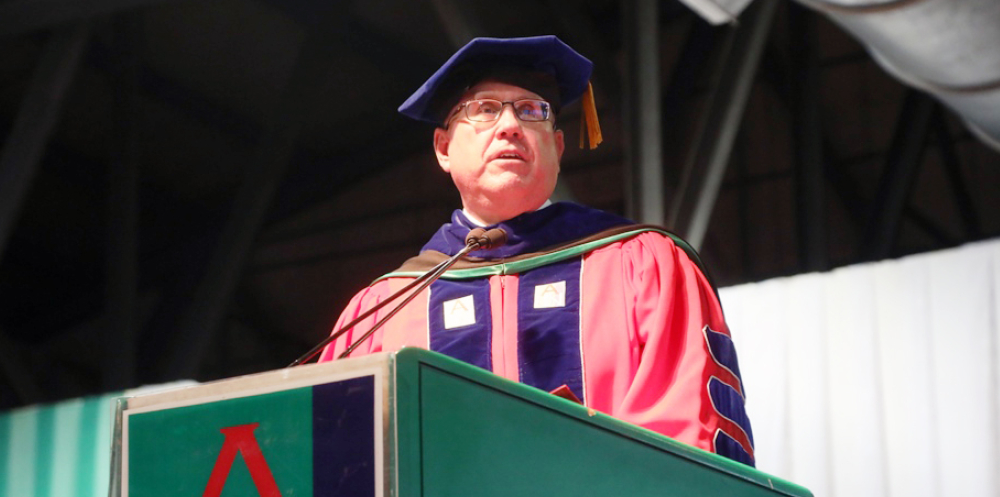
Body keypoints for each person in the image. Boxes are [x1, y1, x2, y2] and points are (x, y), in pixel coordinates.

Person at [319, 36, 754, 466]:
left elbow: (691, 439)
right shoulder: (383, 309)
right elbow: (343, 470)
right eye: (484, 109)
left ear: (558, 148)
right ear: (443, 148)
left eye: (531, 111)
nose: (509, 125)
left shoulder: (645, 267)